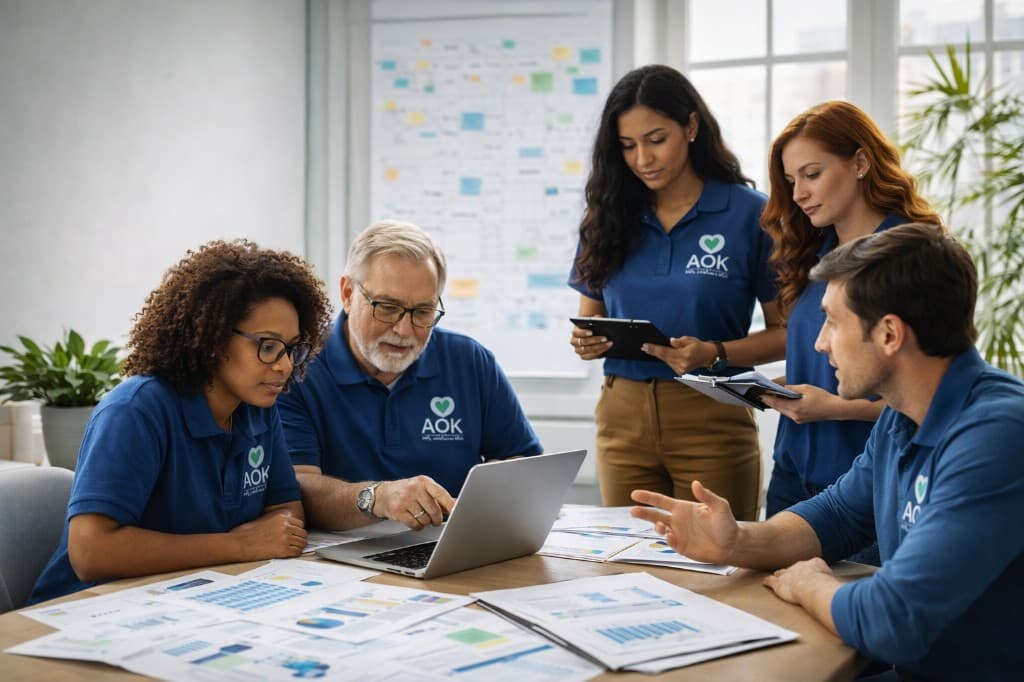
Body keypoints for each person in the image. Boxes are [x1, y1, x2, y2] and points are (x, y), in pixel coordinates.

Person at [632, 223, 1024, 681]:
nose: (820, 343)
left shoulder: (997, 435)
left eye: (833, 323)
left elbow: (890, 620)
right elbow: (838, 514)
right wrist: (738, 541)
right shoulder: (904, 414)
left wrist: (810, 584)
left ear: (890, 335)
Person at [29, 240, 333, 604]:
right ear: (213, 338)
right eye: (268, 346)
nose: (284, 365)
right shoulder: (135, 412)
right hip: (87, 611)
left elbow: (284, 514)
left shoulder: (259, 409)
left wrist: (255, 541)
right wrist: (236, 545)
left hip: (195, 601)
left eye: (291, 348)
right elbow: (90, 553)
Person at [568, 64, 784, 518]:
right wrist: (586, 342)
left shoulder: (750, 215)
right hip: (621, 415)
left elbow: (788, 333)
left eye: (655, 139)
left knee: (719, 569)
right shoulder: (607, 215)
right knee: (628, 569)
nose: (642, 158)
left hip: (712, 412)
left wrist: (713, 352)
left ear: (690, 127)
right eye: (627, 146)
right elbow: (591, 316)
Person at [759, 101, 942, 563]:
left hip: (865, 485)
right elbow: (814, 353)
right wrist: (775, 389)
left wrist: (835, 408)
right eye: (791, 179)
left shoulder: (912, 255)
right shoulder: (810, 252)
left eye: (812, 174)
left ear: (860, 162)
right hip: (792, 472)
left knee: (852, 623)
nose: (798, 193)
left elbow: (929, 391)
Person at [278, 220, 542, 531]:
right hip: (343, 556)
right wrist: (379, 498)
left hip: (451, 545)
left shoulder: (470, 361)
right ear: (348, 294)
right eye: (387, 307)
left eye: (422, 312)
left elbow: (524, 462)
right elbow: (298, 487)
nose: (404, 330)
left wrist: (500, 483)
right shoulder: (295, 368)